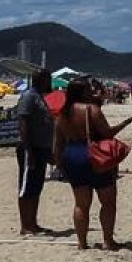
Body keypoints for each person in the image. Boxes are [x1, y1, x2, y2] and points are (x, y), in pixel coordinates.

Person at [53, 78, 120, 250]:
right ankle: (108, 241)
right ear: (83, 93)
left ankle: (82, 243)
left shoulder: (63, 113)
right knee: (107, 201)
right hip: (93, 154)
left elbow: (57, 145)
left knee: (81, 204)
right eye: (89, 90)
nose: (92, 92)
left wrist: (60, 164)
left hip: (72, 155)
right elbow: (107, 133)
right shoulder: (91, 110)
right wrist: (125, 123)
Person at [15, 70, 56, 236]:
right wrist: (28, 150)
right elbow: (23, 123)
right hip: (30, 148)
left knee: (36, 186)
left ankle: (33, 222)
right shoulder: (29, 97)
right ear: (40, 80)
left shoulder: (40, 97)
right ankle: (25, 224)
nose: (50, 82)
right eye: (48, 79)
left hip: (42, 147)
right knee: (26, 187)